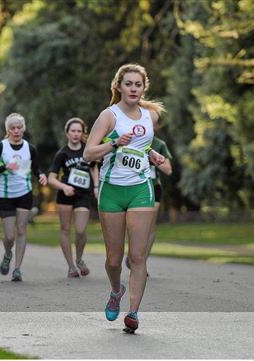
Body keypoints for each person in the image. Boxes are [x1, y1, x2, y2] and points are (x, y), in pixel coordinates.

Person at [84, 64, 167, 333]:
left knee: (139, 256)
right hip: (112, 191)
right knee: (113, 260)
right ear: (119, 86)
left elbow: (144, 145)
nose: (133, 88)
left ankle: (133, 313)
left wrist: (153, 155)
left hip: (141, 188)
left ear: (144, 88)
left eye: (138, 84)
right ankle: (115, 290)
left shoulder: (151, 116)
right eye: (128, 84)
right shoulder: (109, 116)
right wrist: (114, 143)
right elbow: (88, 154)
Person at [0, 113, 47, 282]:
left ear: (23, 129)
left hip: (24, 193)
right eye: (13, 128)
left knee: (21, 230)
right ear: (8, 130)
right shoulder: (1, 147)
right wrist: (5, 167)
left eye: (19, 127)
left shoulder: (30, 148)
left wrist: (42, 175)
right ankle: (7, 254)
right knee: (9, 236)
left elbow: (36, 168)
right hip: (5, 195)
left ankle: (17, 268)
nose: (16, 131)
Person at [48, 118, 98, 278]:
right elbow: (51, 178)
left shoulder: (87, 150)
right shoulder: (62, 153)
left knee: (81, 230)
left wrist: (96, 186)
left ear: (82, 133)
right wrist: (64, 187)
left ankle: (79, 259)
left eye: (79, 131)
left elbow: (94, 169)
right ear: (67, 133)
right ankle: (71, 266)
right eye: (73, 131)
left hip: (83, 194)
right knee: (65, 229)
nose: (76, 134)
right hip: (66, 195)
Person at [125, 133, 172, 274]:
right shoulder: (128, 139)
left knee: (149, 227)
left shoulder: (159, 144)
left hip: (153, 187)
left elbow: (168, 170)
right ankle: (133, 255)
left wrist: (156, 160)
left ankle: (141, 261)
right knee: (133, 225)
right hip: (133, 187)